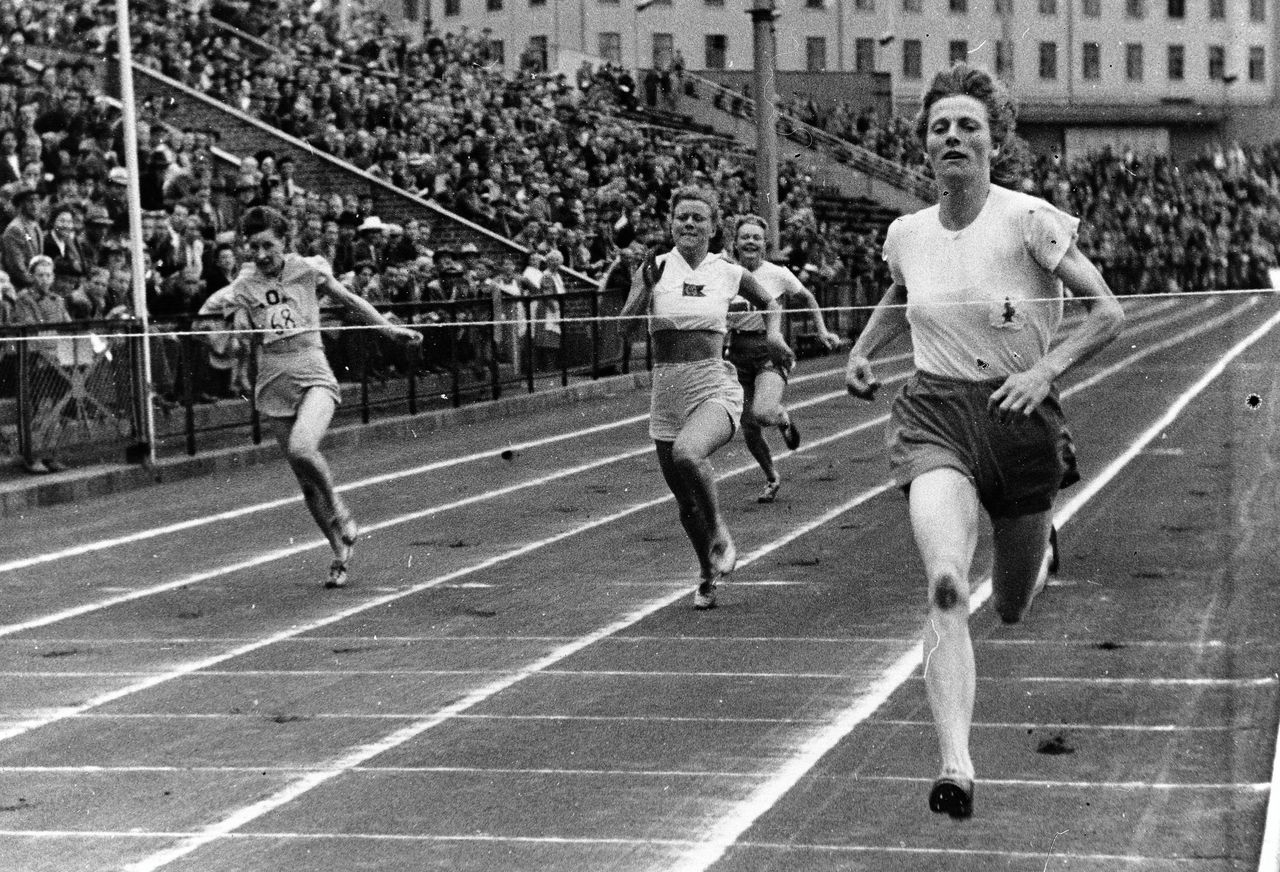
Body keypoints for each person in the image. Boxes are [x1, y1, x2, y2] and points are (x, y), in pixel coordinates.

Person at [843, 64, 1125, 819]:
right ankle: (956, 765)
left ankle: (1037, 542)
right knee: (945, 584)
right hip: (935, 413)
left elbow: (1107, 313)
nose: (954, 137)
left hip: (1020, 418)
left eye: (968, 126)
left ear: (994, 141)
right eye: (940, 128)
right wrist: (864, 348)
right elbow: (902, 292)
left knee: (1009, 605)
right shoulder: (906, 232)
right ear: (925, 148)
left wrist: (1044, 371)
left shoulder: (1029, 219)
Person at [200, 206, 422, 588]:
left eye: (268, 245)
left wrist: (389, 331)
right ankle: (339, 551)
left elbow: (350, 301)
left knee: (304, 449)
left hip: (312, 369)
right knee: (304, 482)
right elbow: (213, 319)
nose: (261, 254)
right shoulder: (243, 281)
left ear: (284, 242)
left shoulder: (308, 268)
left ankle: (338, 506)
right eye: (253, 247)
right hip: (272, 379)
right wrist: (226, 328)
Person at [620, 187, 794, 610]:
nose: (690, 225)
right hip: (667, 391)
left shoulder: (727, 271)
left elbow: (771, 303)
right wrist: (644, 290)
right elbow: (624, 331)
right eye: (682, 217)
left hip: (713, 383)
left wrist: (773, 334)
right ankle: (705, 572)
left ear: (715, 227)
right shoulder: (655, 267)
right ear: (671, 223)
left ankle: (719, 531)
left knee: (688, 454)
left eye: (699, 218)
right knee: (685, 503)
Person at [728, 215, 841, 503]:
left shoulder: (777, 273)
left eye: (756, 237)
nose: (750, 242)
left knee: (763, 413)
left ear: (764, 245)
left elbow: (809, 298)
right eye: (745, 237)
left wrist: (822, 330)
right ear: (736, 243)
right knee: (749, 427)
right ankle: (771, 476)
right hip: (737, 350)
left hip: (769, 348)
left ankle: (782, 417)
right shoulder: (726, 273)